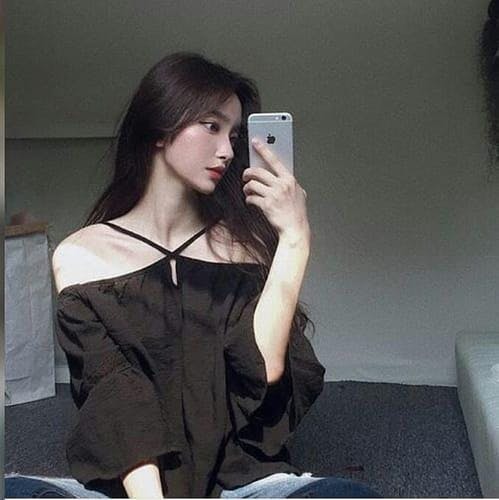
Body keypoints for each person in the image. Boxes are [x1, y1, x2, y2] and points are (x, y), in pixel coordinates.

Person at [5, 52, 380, 498]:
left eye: (234, 134)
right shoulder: (82, 254)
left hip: (242, 484)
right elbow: (114, 396)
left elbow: (263, 368)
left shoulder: (243, 246)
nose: (228, 150)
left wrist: (296, 238)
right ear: (160, 128)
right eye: (211, 126)